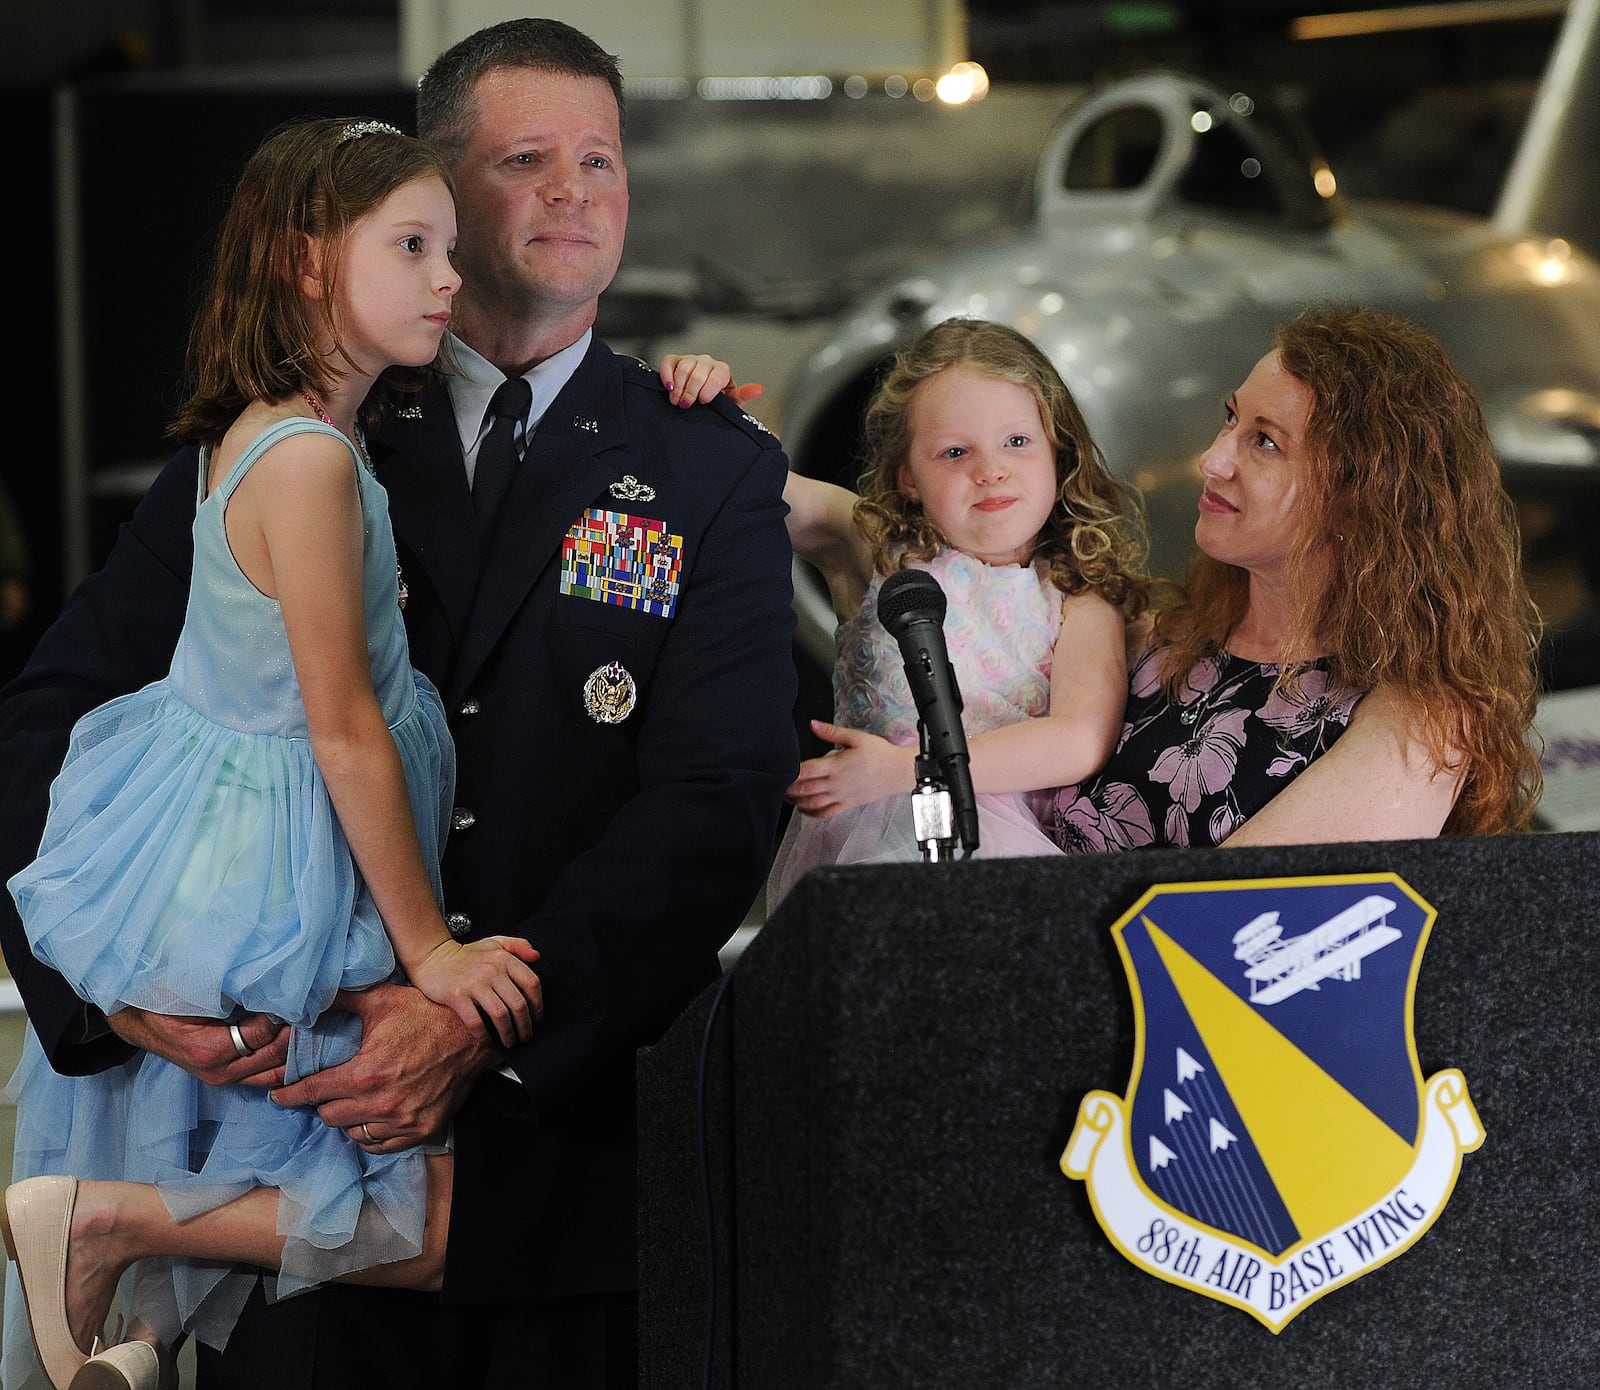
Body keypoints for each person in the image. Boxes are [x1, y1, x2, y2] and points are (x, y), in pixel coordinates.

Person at [0, 18, 798, 1390]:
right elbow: (49, 718)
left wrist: (478, 1017)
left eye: (600, 160)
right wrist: (118, 1002)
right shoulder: (302, 434)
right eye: (526, 159)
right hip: (293, 1195)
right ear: (424, 191)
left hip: (569, 1193)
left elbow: (715, 804)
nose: (574, 192)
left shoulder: (706, 467)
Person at [0, 115, 553, 1390]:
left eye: (449, 249)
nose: (448, 277)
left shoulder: (290, 439)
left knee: (398, 1215)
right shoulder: (305, 461)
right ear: (308, 262)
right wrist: (430, 949)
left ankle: (121, 1276)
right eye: (412, 246)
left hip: (254, 866)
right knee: (423, 1219)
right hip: (275, 888)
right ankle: (109, 1227)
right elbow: (343, 726)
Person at [1039, 305, 1541, 852]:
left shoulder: (1421, 721)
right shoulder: (1159, 634)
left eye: (1265, 441)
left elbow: (1219, 921)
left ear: (1358, 500)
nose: (1212, 459)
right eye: (1231, 418)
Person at [768, 318, 1147, 906]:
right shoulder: (877, 548)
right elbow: (759, 490)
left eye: (1017, 442)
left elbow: (1077, 740)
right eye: (954, 452)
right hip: (862, 849)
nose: (990, 469)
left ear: (1059, 452)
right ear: (909, 478)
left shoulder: (1077, 596)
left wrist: (906, 770)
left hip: (998, 850)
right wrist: (706, 410)